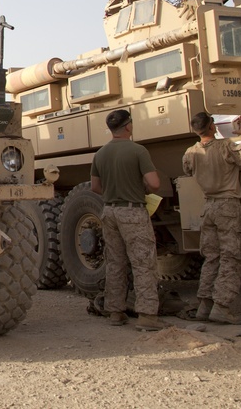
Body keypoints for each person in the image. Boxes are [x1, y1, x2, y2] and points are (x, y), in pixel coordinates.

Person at [182, 112, 241, 325]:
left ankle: (205, 305)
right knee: (232, 257)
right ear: (212, 127)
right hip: (228, 206)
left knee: (212, 258)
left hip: (208, 208)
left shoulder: (190, 153)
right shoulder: (227, 147)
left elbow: (187, 169)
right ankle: (222, 306)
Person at [90, 109, 167, 331]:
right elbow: (153, 184)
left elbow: (95, 187)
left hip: (110, 211)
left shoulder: (101, 154)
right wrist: (136, 188)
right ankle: (147, 316)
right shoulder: (138, 151)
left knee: (115, 263)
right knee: (143, 263)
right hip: (133, 212)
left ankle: (115, 311)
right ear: (128, 126)